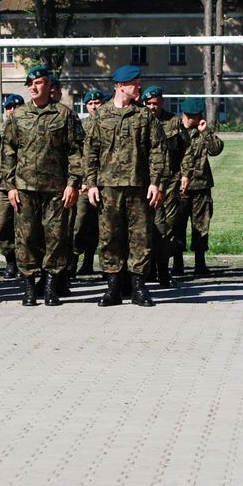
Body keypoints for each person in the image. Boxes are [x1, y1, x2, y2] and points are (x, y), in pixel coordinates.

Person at [83, 65, 166, 307]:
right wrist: (91, 184)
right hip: (108, 188)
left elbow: (157, 151)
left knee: (140, 237)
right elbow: (90, 153)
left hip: (138, 186)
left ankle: (139, 287)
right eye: (134, 83)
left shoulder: (144, 116)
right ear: (120, 86)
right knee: (110, 237)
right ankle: (113, 288)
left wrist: (155, 182)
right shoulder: (102, 115)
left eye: (139, 82)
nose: (139, 86)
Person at [1, 66, 84, 305]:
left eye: (38, 83)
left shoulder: (64, 114)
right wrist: (11, 186)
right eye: (30, 84)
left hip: (56, 189)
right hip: (25, 187)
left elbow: (75, 152)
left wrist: (73, 183)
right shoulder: (18, 116)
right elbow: (7, 152)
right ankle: (28, 286)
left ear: (49, 85)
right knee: (26, 237)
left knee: (55, 237)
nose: (34, 87)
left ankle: (50, 286)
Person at [142, 85, 187, 285]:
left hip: (169, 181)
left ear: (162, 102)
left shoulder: (173, 122)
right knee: (146, 227)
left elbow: (186, 150)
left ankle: (163, 270)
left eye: (156, 103)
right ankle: (147, 269)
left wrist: (184, 174)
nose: (153, 107)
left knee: (166, 227)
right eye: (149, 104)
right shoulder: (140, 121)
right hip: (145, 182)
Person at [174, 97, 223, 275]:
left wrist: (206, 131)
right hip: (180, 187)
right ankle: (177, 263)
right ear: (186, 115)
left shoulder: (202, 131)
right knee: (177, 225)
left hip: (201, 186)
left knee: (201, 225)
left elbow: (216, 149)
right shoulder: (175, 131)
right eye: (194, 116)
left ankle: (200, 263)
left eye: (199, 116)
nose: (197, 119)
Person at [0, 93, 24, 279]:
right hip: (4, 185)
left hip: (22, 184)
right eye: (9, 107)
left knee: (23, 227)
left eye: (16, 107)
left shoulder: (26, 126)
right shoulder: (0, 131)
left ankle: (23, 263)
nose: (12, 111)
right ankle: (10, 260)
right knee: (2, 225)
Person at [71, 90, 103, 275]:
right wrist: (81, 181)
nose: (94, 106)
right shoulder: (81, 126)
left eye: (97, 102)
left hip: (105, 183)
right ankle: (73, 261)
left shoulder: (108, 122)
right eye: (90, 104)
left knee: (99, 226)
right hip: (84, 184)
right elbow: (77, 155)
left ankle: (89, 262)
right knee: (79, 224)